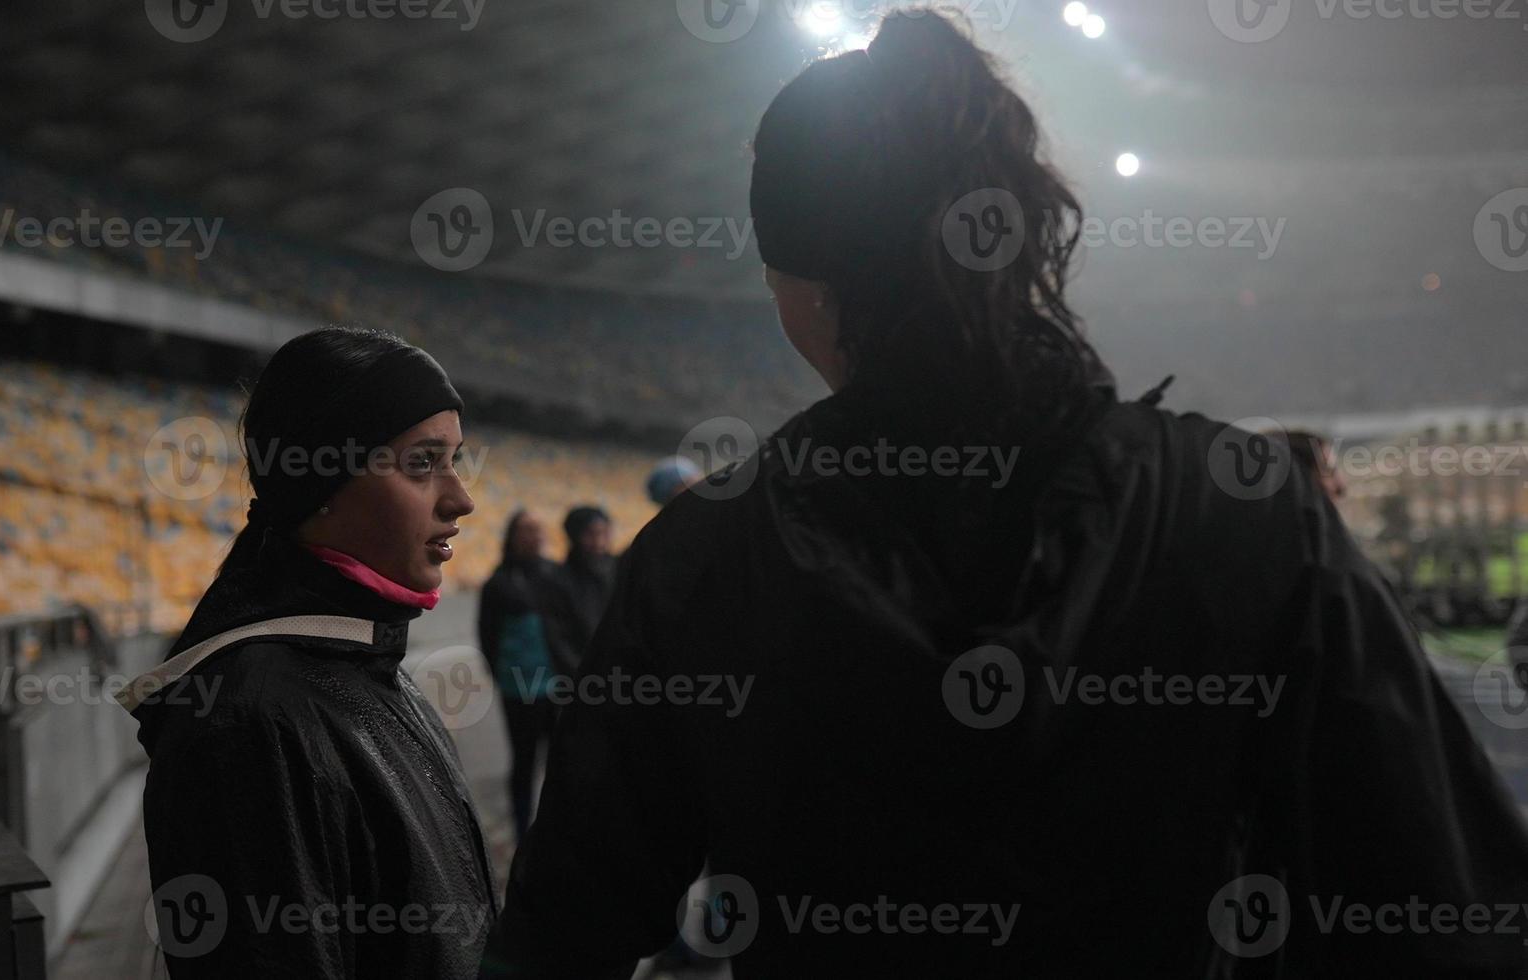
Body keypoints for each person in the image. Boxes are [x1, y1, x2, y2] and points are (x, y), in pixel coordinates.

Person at [481, 11, 1528, 978]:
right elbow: (1441, 908)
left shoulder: (699, 560)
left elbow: (562, 926)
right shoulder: (1250, 511)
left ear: (797, 282)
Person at [121, 327, 494, 979]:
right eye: (420, 463)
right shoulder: (250, 725)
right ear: (322, 480)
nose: (461, 499)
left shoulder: (366, 667)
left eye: (454, 460)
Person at [477, 509, 561, 839]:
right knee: (524, 761)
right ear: (512, 536)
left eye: (539, 528)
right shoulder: (498, 583)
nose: (535, 535)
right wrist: (502, 676)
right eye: (527, 529)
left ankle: (558, 828)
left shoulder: (556, 574)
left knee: (561, 762)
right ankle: (522, 830)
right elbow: (487, 635)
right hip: (520, 688)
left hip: (560, 685)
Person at [545, 506, 617, 679]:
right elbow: (556, 638)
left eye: (603, 533)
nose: (598, 542)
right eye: (591, 534)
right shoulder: (559, 579)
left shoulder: (619, 570)